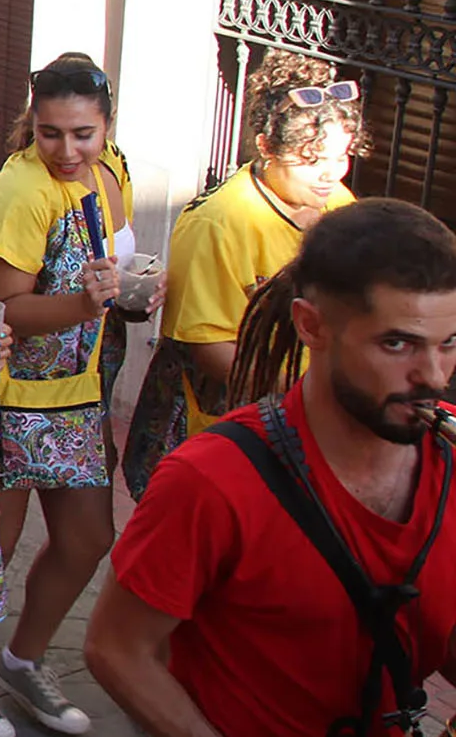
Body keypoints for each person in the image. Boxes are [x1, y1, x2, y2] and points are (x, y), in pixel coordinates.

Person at [85, 199, 456, 737]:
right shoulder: (211, 480)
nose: (433, 376)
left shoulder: (448, 458)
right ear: (312, 328)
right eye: (398, 345)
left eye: (448, 344)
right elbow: (115, 652)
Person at [0, 54, 163, 737]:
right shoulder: (15, 197)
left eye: (82, 133)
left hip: (78, 393)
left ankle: (22, 659)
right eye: (51, 133)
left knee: (88, 538)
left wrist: (131, 294)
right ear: (30, 126)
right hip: (8, 395)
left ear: (106, 127)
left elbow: (114, 262)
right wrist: (83, 304)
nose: (68, 149)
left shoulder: (112, 169)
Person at [125, 52, 363, 498]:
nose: (331, 173)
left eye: (342, 156)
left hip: (300, 418)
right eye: (311, 159)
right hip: (217, 425)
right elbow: (206, 347)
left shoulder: (338, 205)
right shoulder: (219, 222)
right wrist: (310, 390)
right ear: (266, 147)